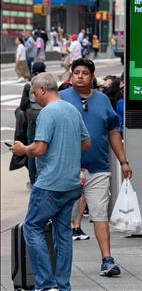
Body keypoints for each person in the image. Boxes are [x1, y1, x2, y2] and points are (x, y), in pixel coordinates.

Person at [10, 72, 91, 291]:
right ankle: (62, 285)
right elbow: (86, 142)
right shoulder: (72, 110)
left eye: (35, 92)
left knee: (32, 227)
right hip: (72, 183)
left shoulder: (48, 113)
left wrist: (21, 149)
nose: (34, 97)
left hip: (50, 183)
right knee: (63, 233)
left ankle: (46, 284)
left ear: (43, 90)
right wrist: (66, 147)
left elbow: (39, 148)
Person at [60, 58, 132, 276]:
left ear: (92, 77)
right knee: (62, 215)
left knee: (100, 214)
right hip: (66, 169)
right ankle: (58, 261)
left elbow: (113, 132)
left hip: (98, 168)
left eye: (85, 73)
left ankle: (107, 260)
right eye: (76, 72)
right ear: (71, 75)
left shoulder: (102, 100)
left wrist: (123, 160)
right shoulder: (61, 99)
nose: (80, 76)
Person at [19, 62, 48, 186]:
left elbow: (22, 105)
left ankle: (33, 181)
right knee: (46, 149)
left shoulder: (29, 85)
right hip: (46, 118)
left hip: (32, 120)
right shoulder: (48, 83)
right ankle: (44, 178)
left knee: (32, 149)